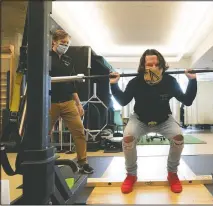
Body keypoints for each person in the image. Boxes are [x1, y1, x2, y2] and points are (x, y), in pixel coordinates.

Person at [109, 49, 197, 194]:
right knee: (127, 138)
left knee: (178, 138)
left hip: (164, 120)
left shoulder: (170, 81)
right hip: (140, 119)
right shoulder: (136, 82)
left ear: (161, 65)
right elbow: (123, 101)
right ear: (143, 66)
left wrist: (192, 80)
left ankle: (172, 173)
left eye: (157, 64)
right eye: (150, 65)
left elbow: (187, 100)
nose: (154, 67)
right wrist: (114, 85)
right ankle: (131, 175)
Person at [49, 30, 94, 174]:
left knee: (79, 132)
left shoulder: (69, 59)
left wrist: (78, 103)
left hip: (68, 101)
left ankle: (83, 162)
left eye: (67, 43)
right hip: (50, 102)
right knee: (45, 133)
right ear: (54, 42)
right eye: (63, 43)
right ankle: (46, 161)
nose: (65, 46)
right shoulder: (46, 58)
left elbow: (72, 83)